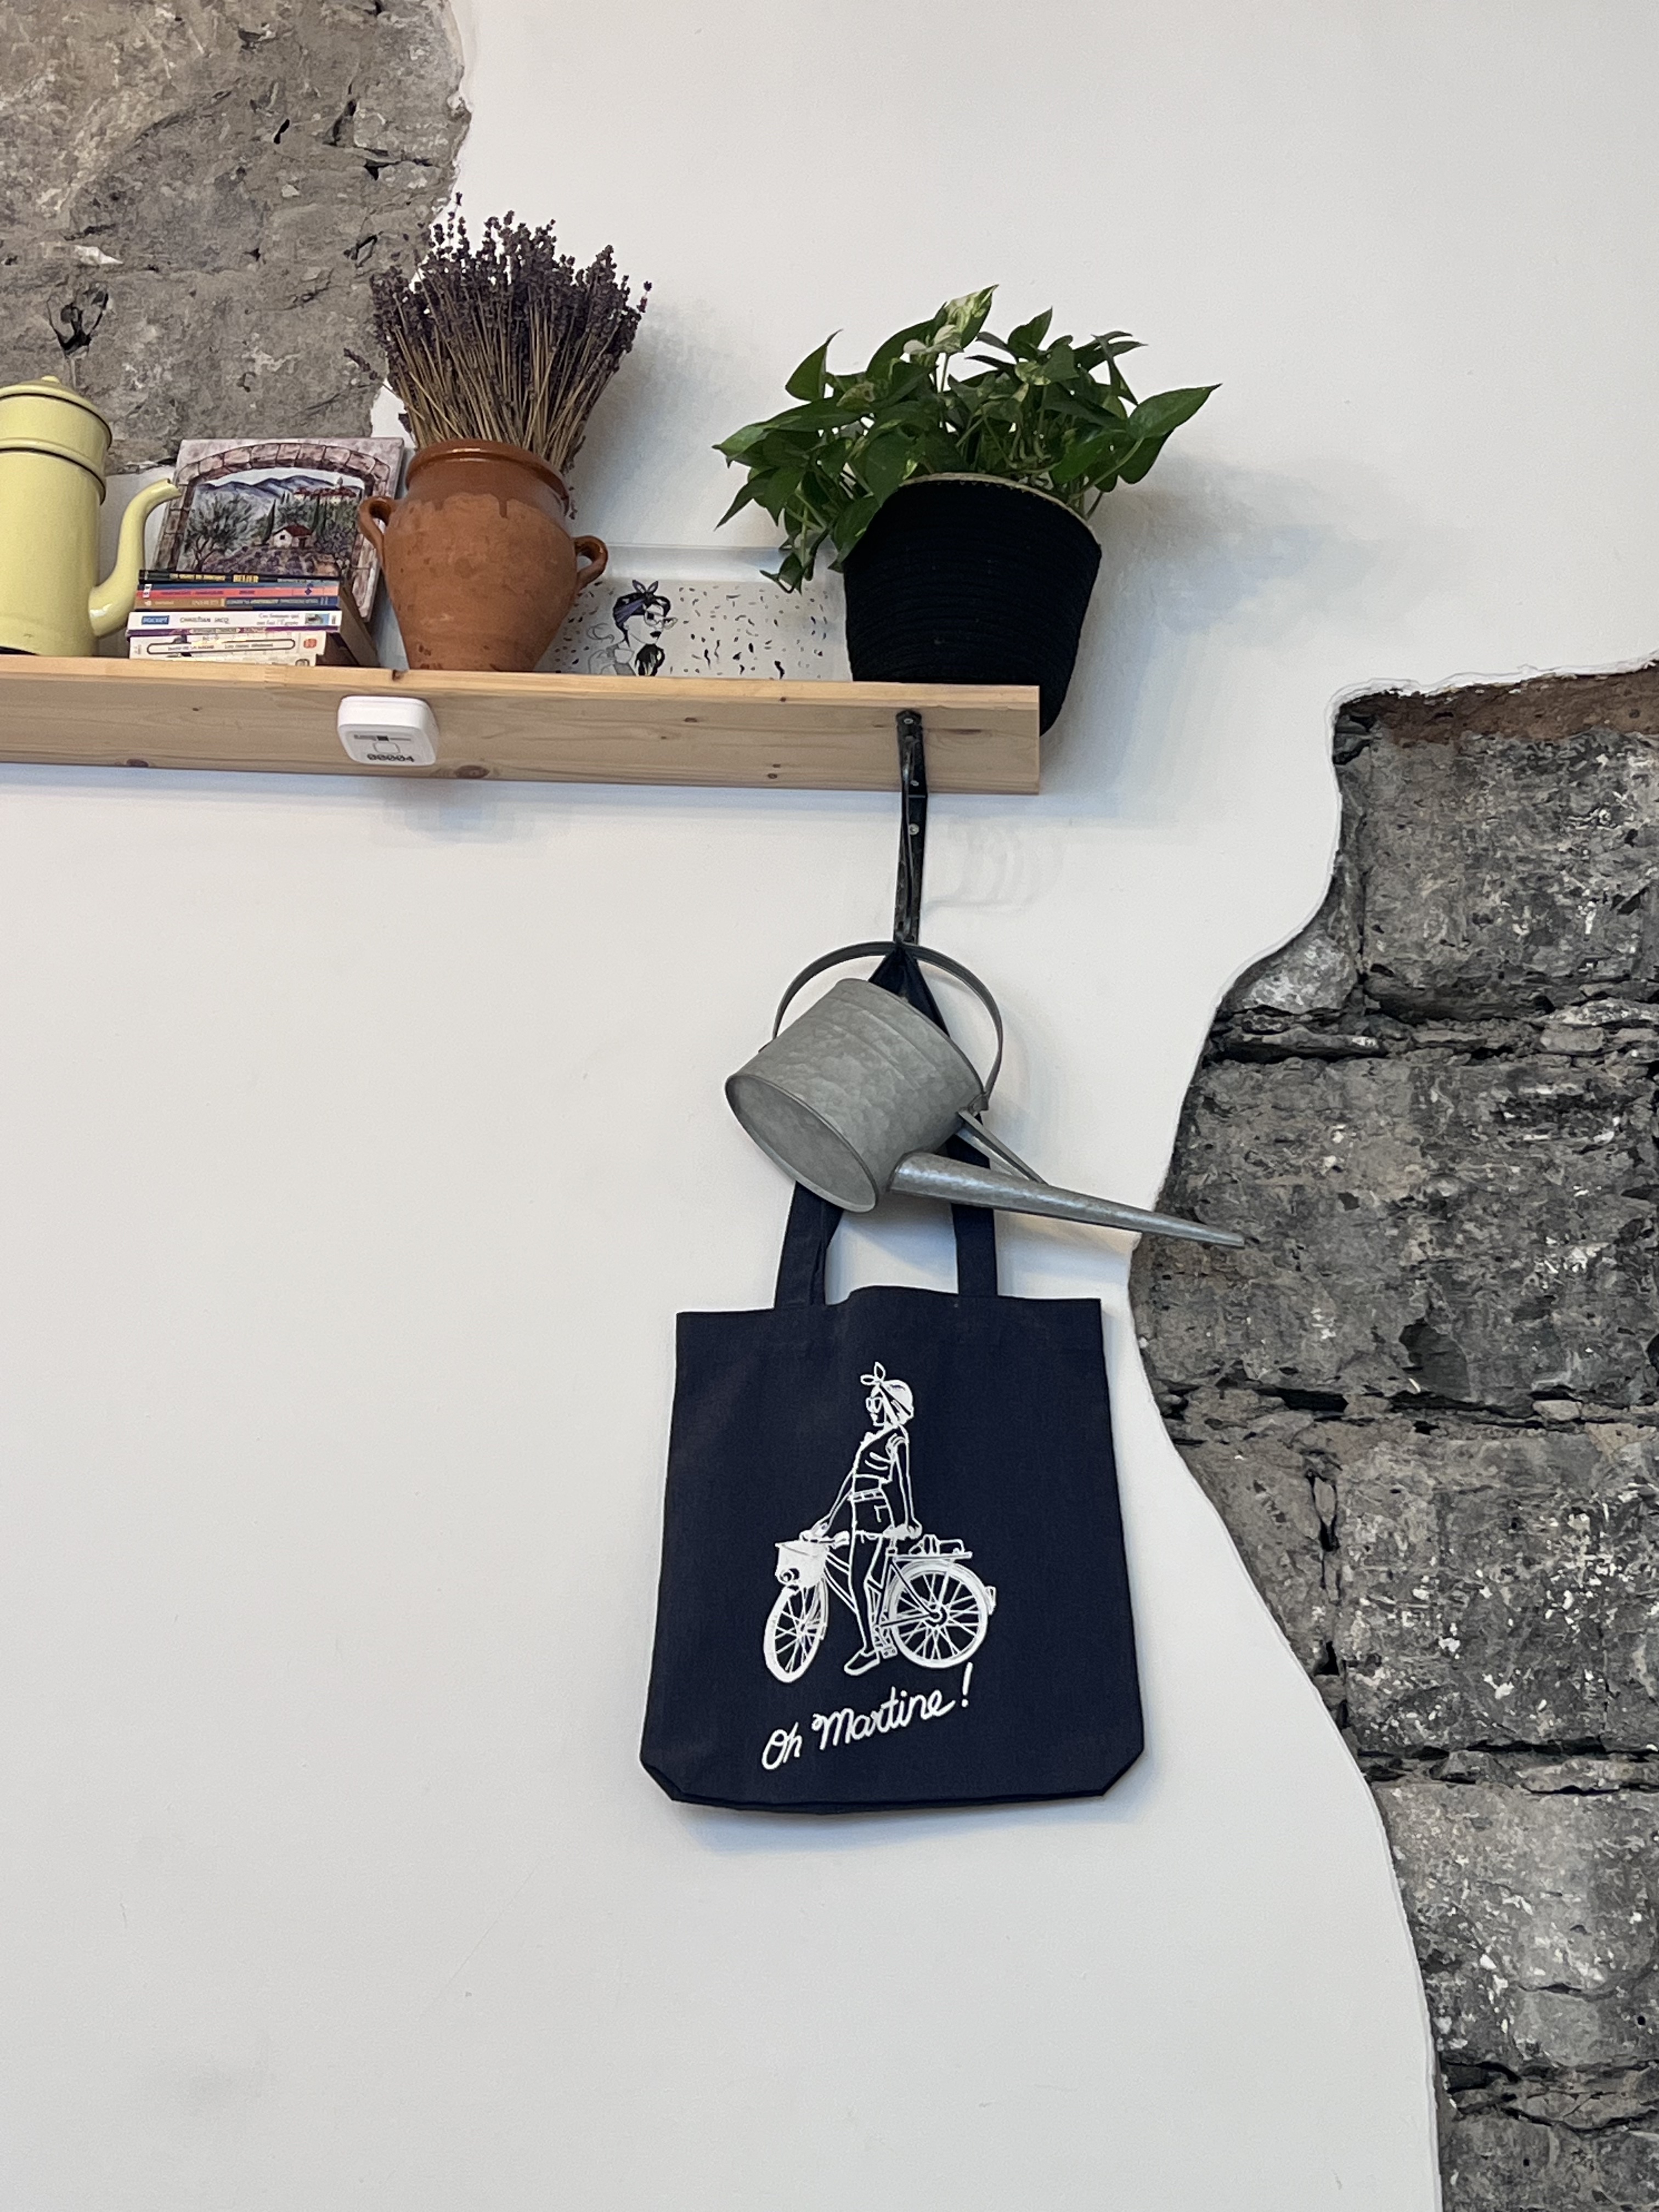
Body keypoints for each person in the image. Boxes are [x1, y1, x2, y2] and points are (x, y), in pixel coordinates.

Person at [804, 1364, 919, 1675]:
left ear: (891, 1406)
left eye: (875, 1402)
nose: (870, 1408)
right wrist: (830, 1519)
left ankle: (871, 1649)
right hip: (860, 1512)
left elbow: (903, 1479)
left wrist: (908, 1520)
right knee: (869, 1583)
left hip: (875, 1514)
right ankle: (881, 1637)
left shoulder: (897, 1438)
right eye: (869, 1403)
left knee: (859, 1582)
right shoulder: (872, 1438)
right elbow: (852, 1480)